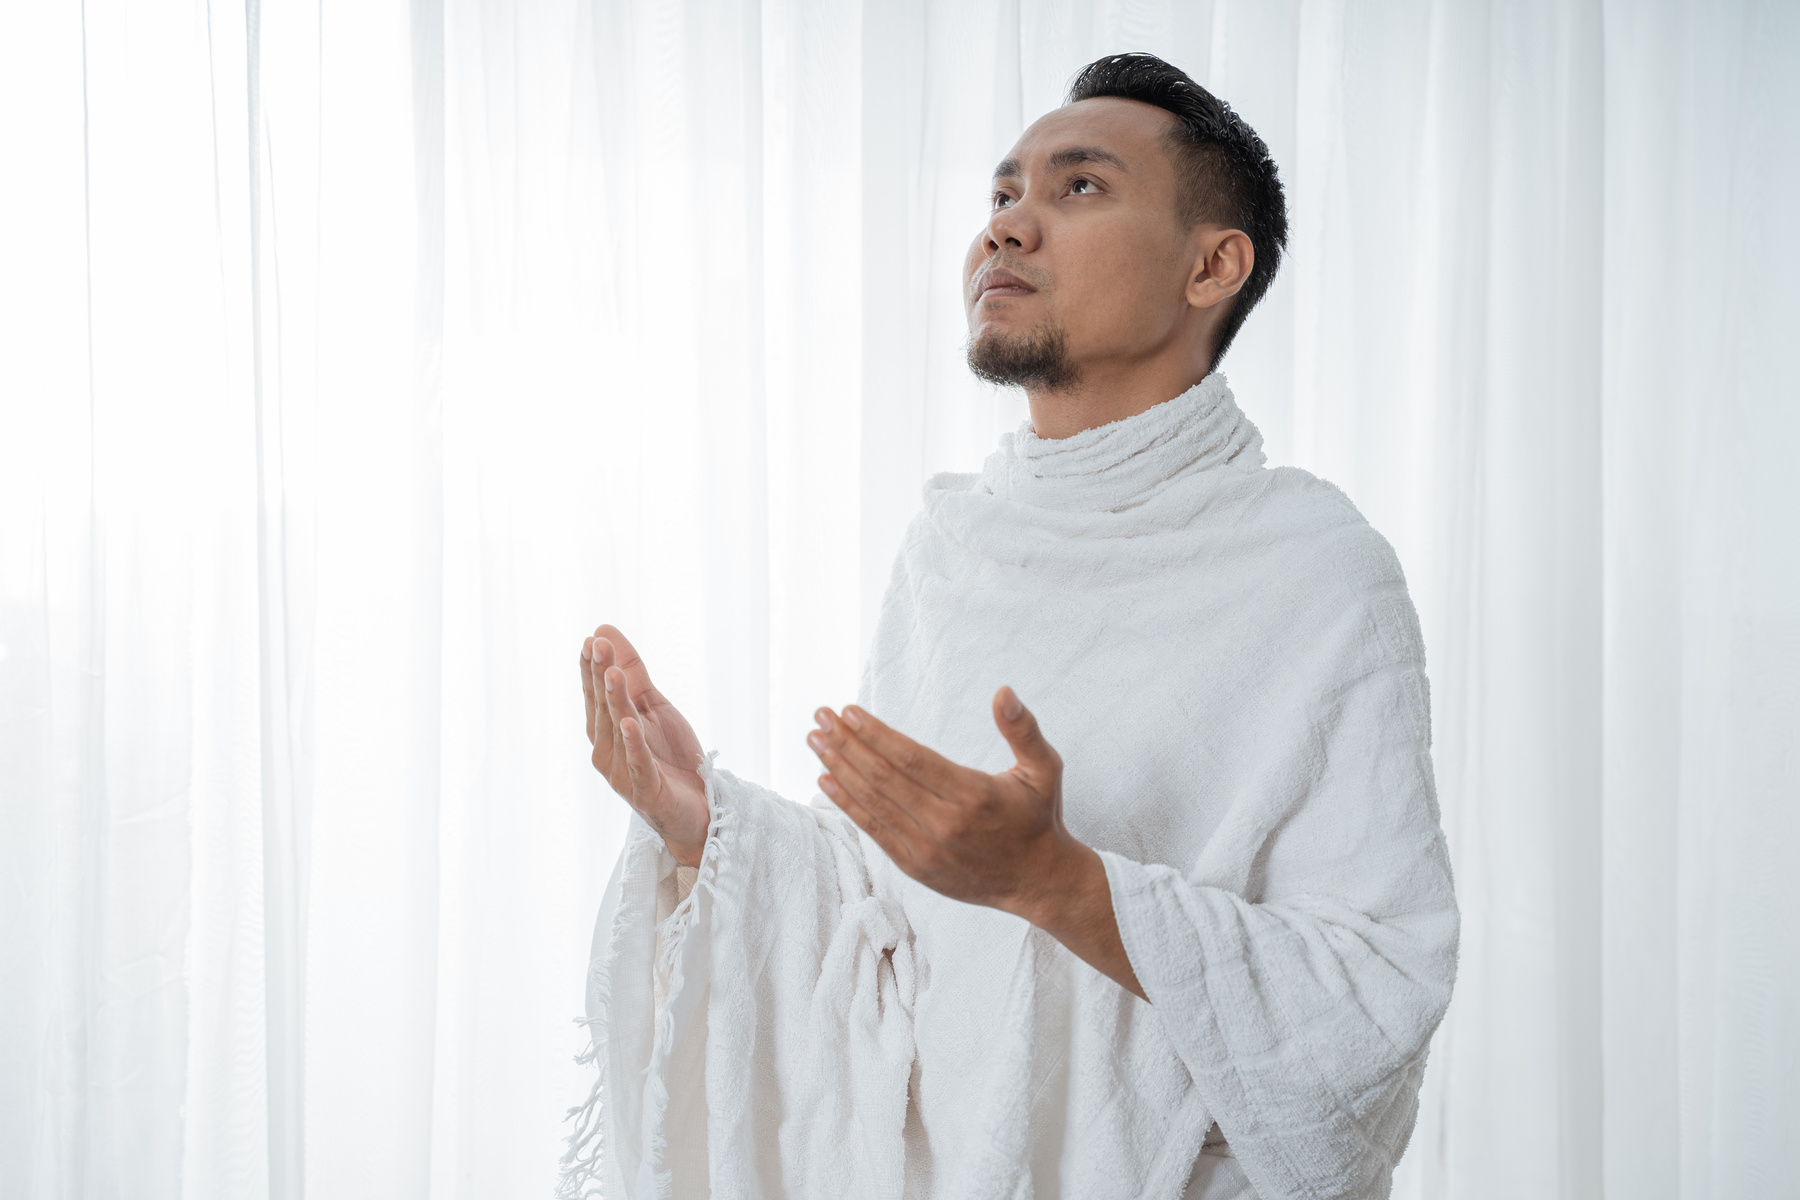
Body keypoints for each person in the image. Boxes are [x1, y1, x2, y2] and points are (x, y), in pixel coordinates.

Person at [562, 52, 1458, 1200]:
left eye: (1078, 188)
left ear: (1212, 265)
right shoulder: (953, 545)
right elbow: (885, 925)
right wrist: (707, 829)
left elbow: (1372, 1001)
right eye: (1000, 195)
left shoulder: (1319, 574)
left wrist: (1062, 883)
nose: (1008, 229)